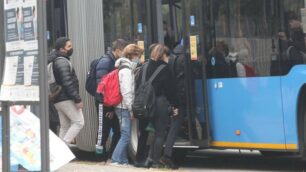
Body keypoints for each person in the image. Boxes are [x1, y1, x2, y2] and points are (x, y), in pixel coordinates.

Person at [136, 44, 179, 168]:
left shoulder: (144, 67)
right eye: (167, 56)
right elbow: (171, 90)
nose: (169, 58)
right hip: (159, 103)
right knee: (160, 133)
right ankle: (155, 162)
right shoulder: (165, 68)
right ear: (163, 55)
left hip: (144, 104)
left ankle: (148, 159)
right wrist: (175, 105)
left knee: (148, 133)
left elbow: (138, 85)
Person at [111, 44, 144, 165]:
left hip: (121, 106)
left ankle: (123, 160)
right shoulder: (126, 70)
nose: (139, 58)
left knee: (125, 133)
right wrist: (131, 109)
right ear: (132, 55)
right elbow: (126, 91)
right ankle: (115, 159)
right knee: (126, 135)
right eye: (138, 55)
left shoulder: (122, 67)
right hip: (123, 107)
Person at [95, 39, 128, 159]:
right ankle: (99, 157)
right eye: (124, 51)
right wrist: (107, 106)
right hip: (103, 103)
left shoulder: (114, 62)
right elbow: (101, 86)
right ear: (118, 50)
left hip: (111, 103)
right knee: (103, 130)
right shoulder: (106, 62)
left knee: (118, 130)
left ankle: (111, 155)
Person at [49, 37, 84, 144]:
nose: (71, 48)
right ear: (61, 49)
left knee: (64, 127)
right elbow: (67, 82)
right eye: (69, 46)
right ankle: (63, 148)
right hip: (66, 98)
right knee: (79, 122)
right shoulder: (62, 62)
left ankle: (59, 157)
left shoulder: (56, 60)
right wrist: (77, 99)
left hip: (58, 99)